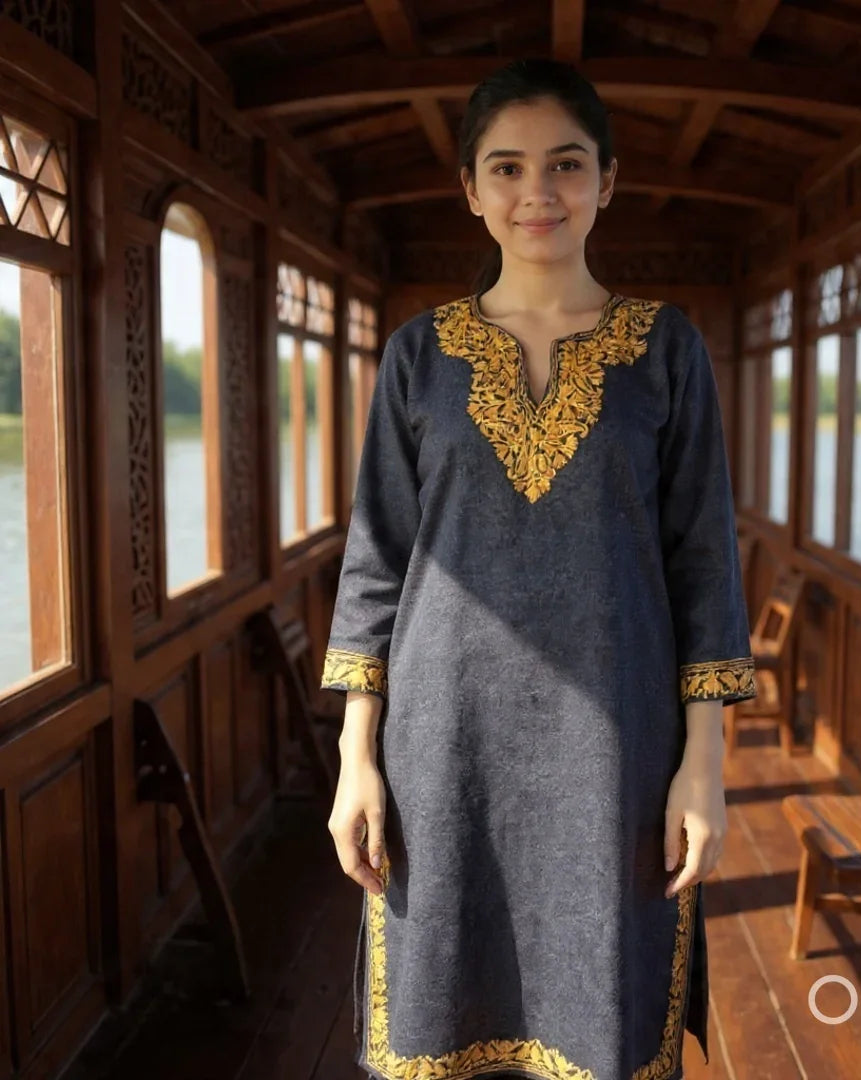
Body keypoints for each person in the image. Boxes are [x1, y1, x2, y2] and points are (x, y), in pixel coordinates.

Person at [321, 56, 756, 1080]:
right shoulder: (419, 357)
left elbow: (704, 563)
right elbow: (376, 561)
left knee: (603, 1014)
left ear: (607, 180)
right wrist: (356, 758)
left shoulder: (667, 353)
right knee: (440, 1012)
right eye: (507, 169)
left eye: (564, 164)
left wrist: (705, 763)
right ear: (472, 190)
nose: (537, 193)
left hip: (618, 748)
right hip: (445, 746)